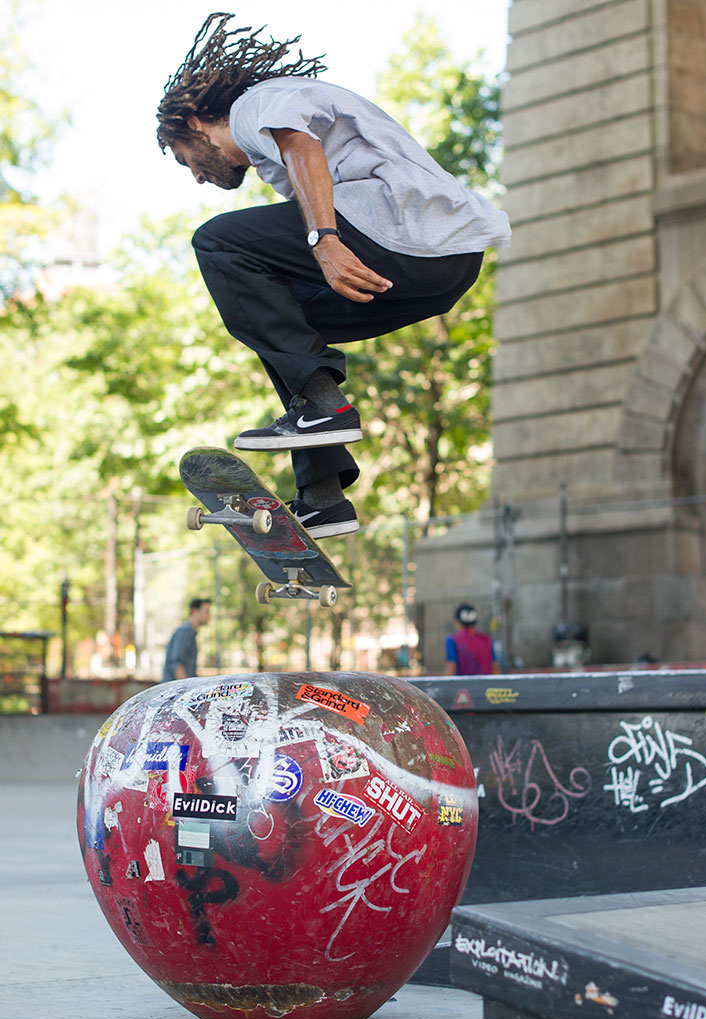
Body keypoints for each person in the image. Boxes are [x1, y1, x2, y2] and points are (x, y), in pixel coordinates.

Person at [156, 14, 511, 540]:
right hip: (445, 264)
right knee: (276, 323)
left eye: (188, 160)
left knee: (217, 242)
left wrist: (324, 239)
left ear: (195, 124)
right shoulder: (271, 145)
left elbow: (303, 146)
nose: (199, 175)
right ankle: (324, 496)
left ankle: (325, 409)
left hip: (401, 228)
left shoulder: (255, 105)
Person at [163, 598, 212, 681]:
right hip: (177, 690)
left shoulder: (190, 633)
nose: (209, 615)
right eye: (206, 611)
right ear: (195, 611)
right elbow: (176, 663)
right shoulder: (185, 631)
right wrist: (187, 689)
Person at [445, 604, 498, 676]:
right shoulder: (487, 640)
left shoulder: (452, 640)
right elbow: (495, 668)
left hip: (463, 686)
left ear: (457, 622)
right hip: (486, 686)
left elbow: (451, 667)